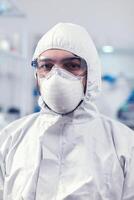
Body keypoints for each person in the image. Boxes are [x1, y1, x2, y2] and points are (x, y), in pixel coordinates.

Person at [0, 23, 134, 200]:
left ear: (91, 74)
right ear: (36, 74)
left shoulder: (124, 145)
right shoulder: (10, 139)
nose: (56, 77)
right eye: (47, 66)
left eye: (71, 66)